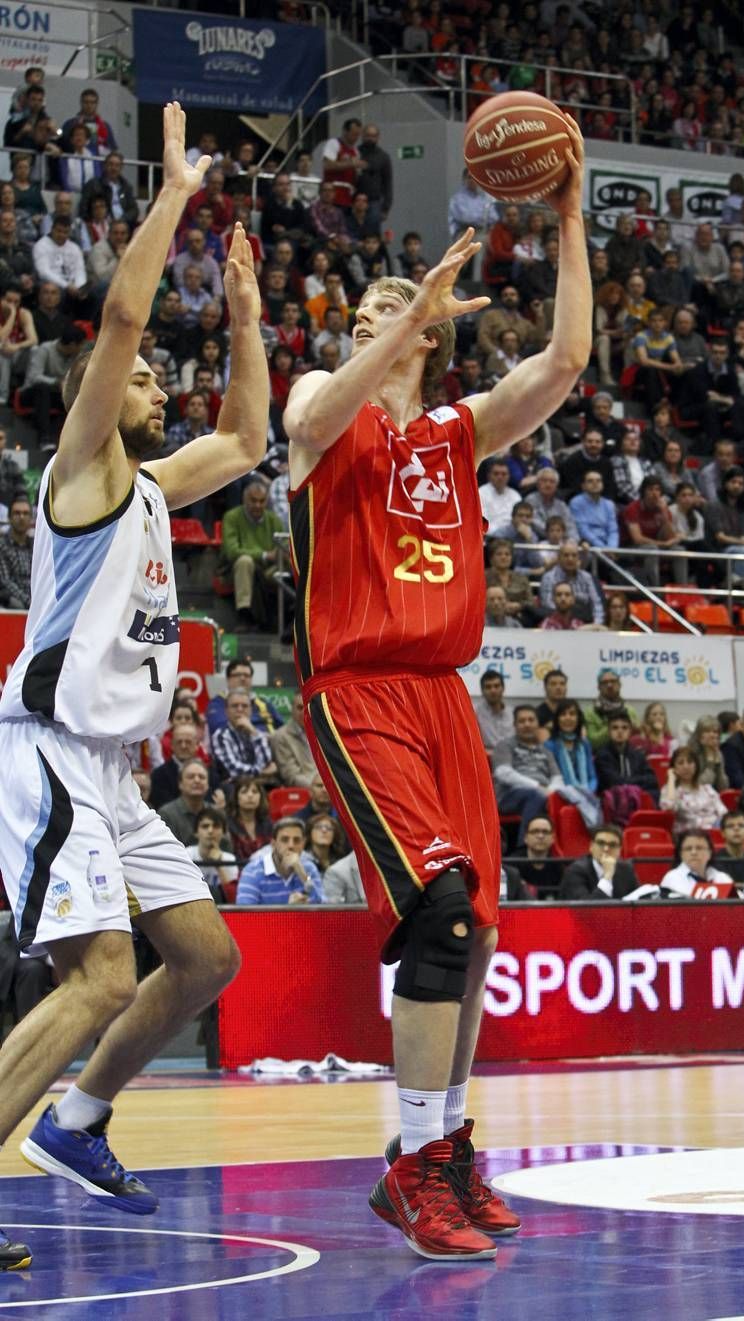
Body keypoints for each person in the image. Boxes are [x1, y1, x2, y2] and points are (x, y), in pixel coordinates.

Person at [282, 114, 590, 1259]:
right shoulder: (330, 405)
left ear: (427, 345)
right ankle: (409, 1160)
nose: (372, 323)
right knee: (439, 913)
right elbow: (309, 415)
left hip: (443, 698)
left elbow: (560, 364)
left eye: (391, 314)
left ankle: (447, 1143)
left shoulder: (454, 432)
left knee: (478, 943)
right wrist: (394, 323)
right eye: (365, 314)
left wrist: (564, 222)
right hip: (357, 690)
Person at [0, 105, 267, 1268]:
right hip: (48, 745)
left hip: (113, 772)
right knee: (100, 976)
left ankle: (78, 1122)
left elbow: (250, 438)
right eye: (146, 374)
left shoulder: (157, 484)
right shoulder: (83, 471)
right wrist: (171, 198)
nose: (157, 381)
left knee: (205, 957)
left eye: (163, 374)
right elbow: (118, 314)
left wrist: (248, 319)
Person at [492, 705, 562, 846]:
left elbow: (557, 778)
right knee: (535, 796)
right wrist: (538, 787)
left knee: (562, 799)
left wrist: (551, 791)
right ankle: (524, 848)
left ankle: (556, 849)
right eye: (522, 721)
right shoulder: (505, 745)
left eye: (531, 720)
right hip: (508, 796)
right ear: (515, 725)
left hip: (542, 794)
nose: (527, 724)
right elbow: (503, 773)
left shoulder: (546, 751)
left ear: (538, 724)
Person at [219, 479, 283, 631]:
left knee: (282, 569)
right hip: (232, 569)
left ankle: (284, 618)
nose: (258, 505)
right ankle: (244, 614)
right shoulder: (232, 517)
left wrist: (275, 556)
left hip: (267, 569)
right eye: (253, 501)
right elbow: (232, 551)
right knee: (245, 562)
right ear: (244, 500)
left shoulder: (274, 519)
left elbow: (283, 547)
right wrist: (264, 555)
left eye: (262, 501)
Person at [235, 816, 324, 904]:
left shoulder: (309, 868)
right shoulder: (253, 871)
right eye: (285, 840)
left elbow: (324, 909)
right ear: (273, 844)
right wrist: (288, 911)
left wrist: (302, 874)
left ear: (303, 844)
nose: (291, 845)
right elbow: (244, 916)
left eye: (297, 840)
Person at [545, 698, 601, 829]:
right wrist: (576, 793)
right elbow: (554, 777)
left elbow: (592, 776)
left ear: (578, 718)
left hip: (586, 792)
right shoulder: (549, 745)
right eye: (563, 714)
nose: (568, 718)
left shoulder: (584, 744)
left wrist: (587, 791)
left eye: (572, 714)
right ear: (557, 719)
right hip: (562, 794)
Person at [210, 689, 277, 785]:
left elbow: (266, 762)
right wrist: (263, 772)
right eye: (235, 706)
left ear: (251, 710)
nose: (240, 709)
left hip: (261, 787)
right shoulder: (220, 735)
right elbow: (234, 771)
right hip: (233, 789)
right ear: (226, 711)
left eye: (245, 706)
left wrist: (254, 733)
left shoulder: (256, 733)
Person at [558, 823, 639, 899]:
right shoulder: (575, 871)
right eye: (601, 843)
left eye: (612, 845)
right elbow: (585, 909)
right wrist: (607, 876)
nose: (606, 849)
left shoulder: (626, 869)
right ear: (591, 846)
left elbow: (638, 898)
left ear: (620, 850)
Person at [660, 747, 725, 833]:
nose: (686, 766)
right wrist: (671, 778)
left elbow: (724, 814)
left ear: (696, 765)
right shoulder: (670, 790)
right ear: (674, 768)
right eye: (680, 763)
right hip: (690, 837)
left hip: (716, 832)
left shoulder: (708, 789)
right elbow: (668, 806)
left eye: (690, 762)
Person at [595, 713, 659, 798]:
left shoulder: (638, 755)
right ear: (609, 731)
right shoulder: (602, 756)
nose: (620, 731)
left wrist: (627, 782)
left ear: (630, 731)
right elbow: (615, 783)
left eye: (624, 727)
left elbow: (652, 780)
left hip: (637, 800)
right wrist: (639, 781)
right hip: (612, 803)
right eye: (615, 728)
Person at [539, 541, 604, 624]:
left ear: (578, 558)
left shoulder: (587, 577)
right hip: (557, 624)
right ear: (559, 558)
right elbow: (548, 606)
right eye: (566, 555)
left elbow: (597, 604)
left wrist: (597, 624)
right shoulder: (548, 577)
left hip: (585, 625)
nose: (570, 559)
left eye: (574, 555)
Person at [660, 830, 735, 899]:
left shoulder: (722, 877)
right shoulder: (672, 878)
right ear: (680, 854)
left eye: (699, 848)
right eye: (688, 849)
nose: (694, 852)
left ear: (710, 852)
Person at [186, 806, 238, 904]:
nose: (210, 831)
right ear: (196, 832)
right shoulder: (186, 855)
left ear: (223, 833)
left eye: (216, 826)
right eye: (205, 826)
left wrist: (220, 866)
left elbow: (232, 900)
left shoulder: (230, 859)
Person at [504, 815, 562, 899]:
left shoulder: (558, 867)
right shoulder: (512, 865)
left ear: (553, 838)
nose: (540, 836)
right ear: (525, 837)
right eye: (535, 831)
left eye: (545, 832)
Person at [270, 691, 317, 787]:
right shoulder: (281, 736)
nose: (304, 712)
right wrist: (318, 787)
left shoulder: (321, 732)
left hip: (325, 788)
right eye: (300, 708)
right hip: (303, 791)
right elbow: (291, 776)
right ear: (292, 709)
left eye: (307, 707)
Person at [584, 668, 639, 751]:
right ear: (598, 687)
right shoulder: (590, 712)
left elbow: (637, 740)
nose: (609, 685)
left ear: (619, 684)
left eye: (613, 681)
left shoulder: (629, 710)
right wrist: (615, 724)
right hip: (600, 760)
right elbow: (592, 742)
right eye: (605, 682)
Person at [225, 775, 272, 862]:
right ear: (236, 797)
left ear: (260, 797)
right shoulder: (227, 824)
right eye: (244, 792)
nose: (250, 795)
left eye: (254, 792)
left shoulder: (267, 824)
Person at [0, 494, 33, 609]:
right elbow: (5, 581)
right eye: (17, 513)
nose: (21, 517)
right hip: (13, 606)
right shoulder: (2, 546)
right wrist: (30, 602)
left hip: (37, 605)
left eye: (25, 513)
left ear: (31, 519)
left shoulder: (35, 547)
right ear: (9, 518)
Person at [474, 668, 515, 750]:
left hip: (511, 757)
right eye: (488, 687)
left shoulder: (513, 713)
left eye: (496, 686)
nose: (493, 690)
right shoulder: (474, 712)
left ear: (503, 688)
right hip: (486, 757)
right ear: (482, 691)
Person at [715, 809, 744, 888]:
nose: (736, 829)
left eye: (741, 825)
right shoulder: (714, 861)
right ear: (723, 833)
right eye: (730, 826)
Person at [687, 716, 729, 791]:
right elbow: (699, 786)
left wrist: (718, 765)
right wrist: (710, 762)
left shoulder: (718, 753)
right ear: (699, 735)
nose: (712, 735)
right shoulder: (690, 754)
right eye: (707, 731)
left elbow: (723, 787)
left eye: (715, 732)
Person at [534, 668, 568, 739]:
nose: (558, 687)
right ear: (545, 688)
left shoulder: (574, 712)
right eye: (553, 684)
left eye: (562, 684)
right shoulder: (536, 714)